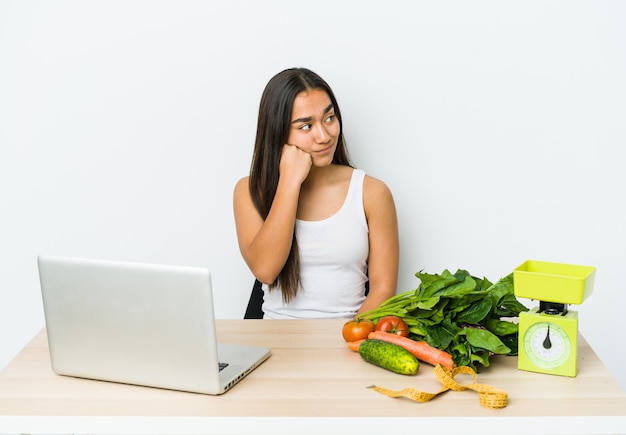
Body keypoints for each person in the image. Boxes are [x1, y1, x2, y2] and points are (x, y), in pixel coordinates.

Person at [233, 67, 399, 319]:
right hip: (271, 342)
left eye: (329, 118)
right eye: (306, 126)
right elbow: (265, 270)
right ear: (278, 132)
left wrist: (347, 341)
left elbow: (383, 289)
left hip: (347, 340)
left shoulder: (372, 193)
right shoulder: (248, 191)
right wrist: (289, 181)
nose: (324, 136)